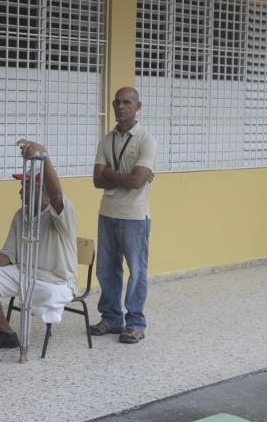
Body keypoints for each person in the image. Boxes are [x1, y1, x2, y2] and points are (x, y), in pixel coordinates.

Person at [0, 140, 78, 351]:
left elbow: (56, 195)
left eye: (25, 186)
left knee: (47, 295)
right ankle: (6, 333)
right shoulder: (21, 214)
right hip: (24, 272)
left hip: (56, 281)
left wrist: (43, 156)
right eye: (21, 185)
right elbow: (9, 254)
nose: (20, 191)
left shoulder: (62, 211)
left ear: (41, 189)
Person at [90, 87, 157, 344]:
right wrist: (124, 177)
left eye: (127, 102)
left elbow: (137, 182)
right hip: (107, 213)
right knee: (107, 270)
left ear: (138, 106)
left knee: (136, 271)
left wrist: (111, 172)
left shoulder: (146, 140)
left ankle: (136, 323)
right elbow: (96, 180)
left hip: (135, 217)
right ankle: (111, 318)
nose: (121, 107)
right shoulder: (107, 139)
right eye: (117, 102)